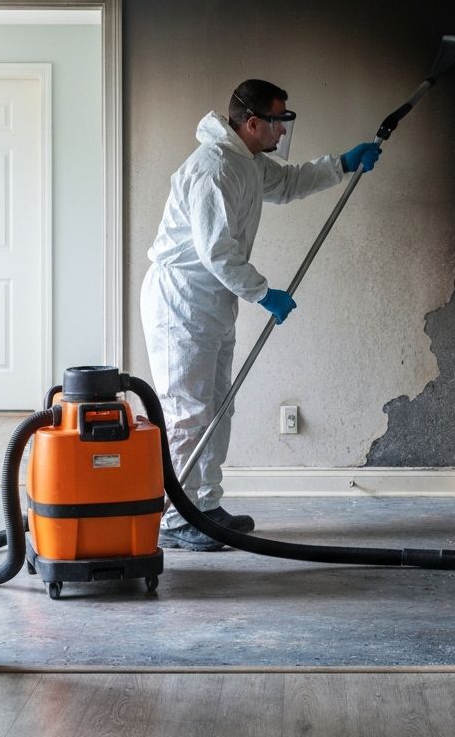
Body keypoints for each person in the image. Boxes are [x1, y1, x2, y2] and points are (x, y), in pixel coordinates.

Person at [141, 79, 381, 550]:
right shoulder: (213, 169)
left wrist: (342, 164)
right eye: (278, 121)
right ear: (252, 123)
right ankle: (177, 518)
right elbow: (216, 251)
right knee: (187, 413)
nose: (282, 132)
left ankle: (205, 504)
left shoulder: (246, 162)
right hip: (181, 302)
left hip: (212, 302)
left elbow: (288, 183)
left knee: (217, 408)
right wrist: (263, 293)